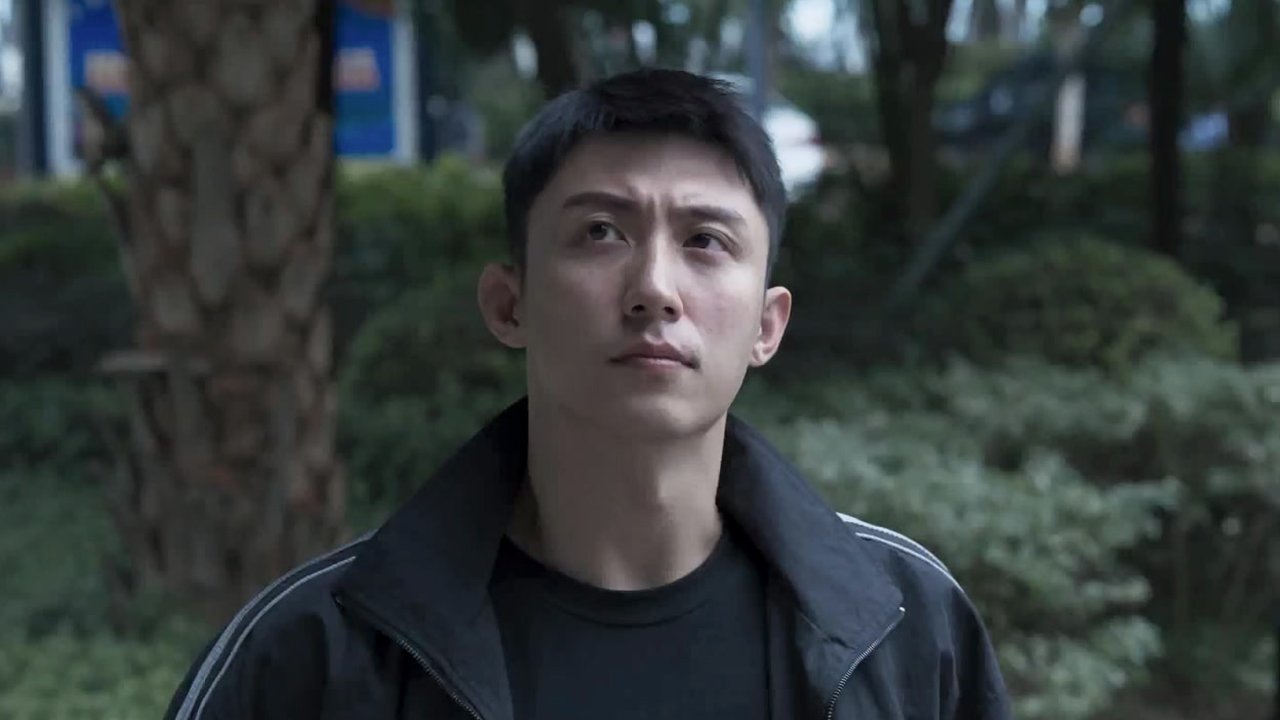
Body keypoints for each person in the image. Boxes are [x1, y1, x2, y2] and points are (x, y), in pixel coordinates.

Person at [163, 68, 1012, 720]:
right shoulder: (312, 654)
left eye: (706, 241)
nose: (655, 289)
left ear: (768, 324)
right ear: (509, 303)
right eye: (600, 232)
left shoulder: (906, 623)